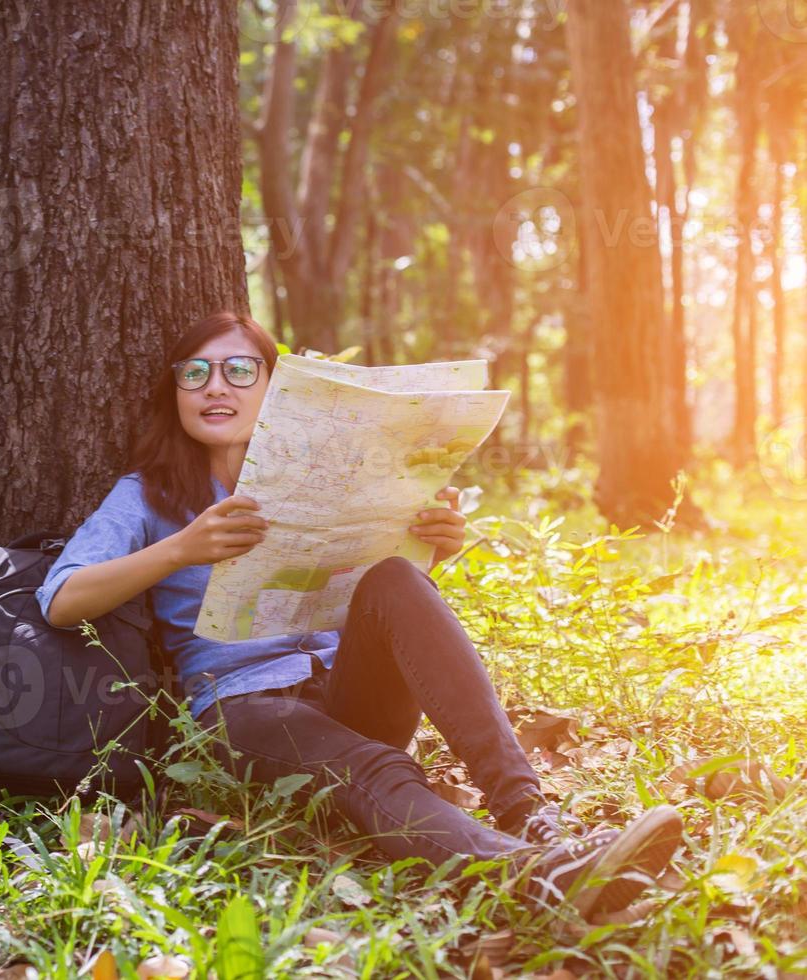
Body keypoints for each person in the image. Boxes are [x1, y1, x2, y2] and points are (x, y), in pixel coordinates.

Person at [34, 311, 683, 921]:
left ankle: (530, 816)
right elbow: (61, 600)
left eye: (239, 371)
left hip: (341, 683)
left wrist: (434, 546)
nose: (215, 388)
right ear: (174, 392)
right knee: (375, 766)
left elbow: (377, 599)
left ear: (272, 388)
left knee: (397, 576)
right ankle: (539, 878)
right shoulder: (148, 494)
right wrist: (181, 547)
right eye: (194, 373)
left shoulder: (326, 474)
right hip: (245, 711)